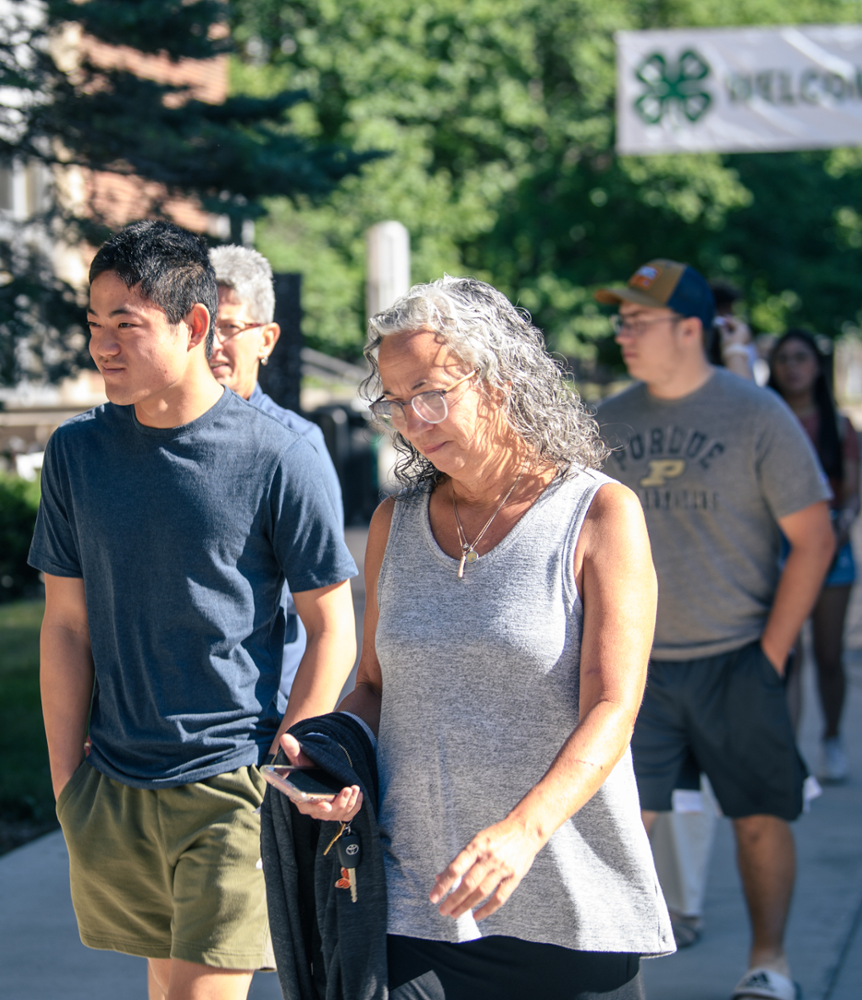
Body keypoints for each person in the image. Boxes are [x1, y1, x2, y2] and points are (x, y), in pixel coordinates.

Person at [281, 275, 673, 999]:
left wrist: (522, 830)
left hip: (569, 905)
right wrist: (331, 758)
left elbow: (614, 705)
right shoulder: (393, 524)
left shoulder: (599, 515)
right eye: (395, 402)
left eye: (431, 392)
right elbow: (373, 685)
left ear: (498, 380)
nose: (412, 419)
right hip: (414, 904)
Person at [32, 220, 359, 1000]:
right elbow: (66, 626)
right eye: (94, 325)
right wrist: (66, 780)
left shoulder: (280, 453)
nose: (102, 347)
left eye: (127, 326)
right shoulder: (77, 453)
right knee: (166, 987)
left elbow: (332, 628)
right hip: (115, 780)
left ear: (196, 323)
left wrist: (285, 762)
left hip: (233, 778)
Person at [594, 259, 835, 1000]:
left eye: (639, 320)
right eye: (622, 319)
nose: (623, 333)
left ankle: (770, 965)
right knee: (616, 826)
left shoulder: (756, 414)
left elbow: (815, 537)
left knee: (758, 819)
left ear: (690, 328)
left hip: (738, 657)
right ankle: (607, 977)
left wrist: (770, 653)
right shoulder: (608, 420)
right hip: (637, 667)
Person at [208, 244, 343, 727]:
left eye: (229, 328)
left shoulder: (295, 448)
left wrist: (292, 735)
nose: (212, 345)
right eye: (202, 327)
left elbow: (325, 616)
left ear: (266, 340)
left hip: (267, 718)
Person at [767, 331, 861, 782]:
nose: (792, 367)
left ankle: (832, 738)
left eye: (801, 358)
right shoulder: (764, 418)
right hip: (774, 547)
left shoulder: (838, 425)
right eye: (783, 359)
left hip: (830, 547)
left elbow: (854, 494)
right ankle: (789, 751)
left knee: (828, 654)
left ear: (818, 366)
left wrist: (840, 526)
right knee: (789, 654)